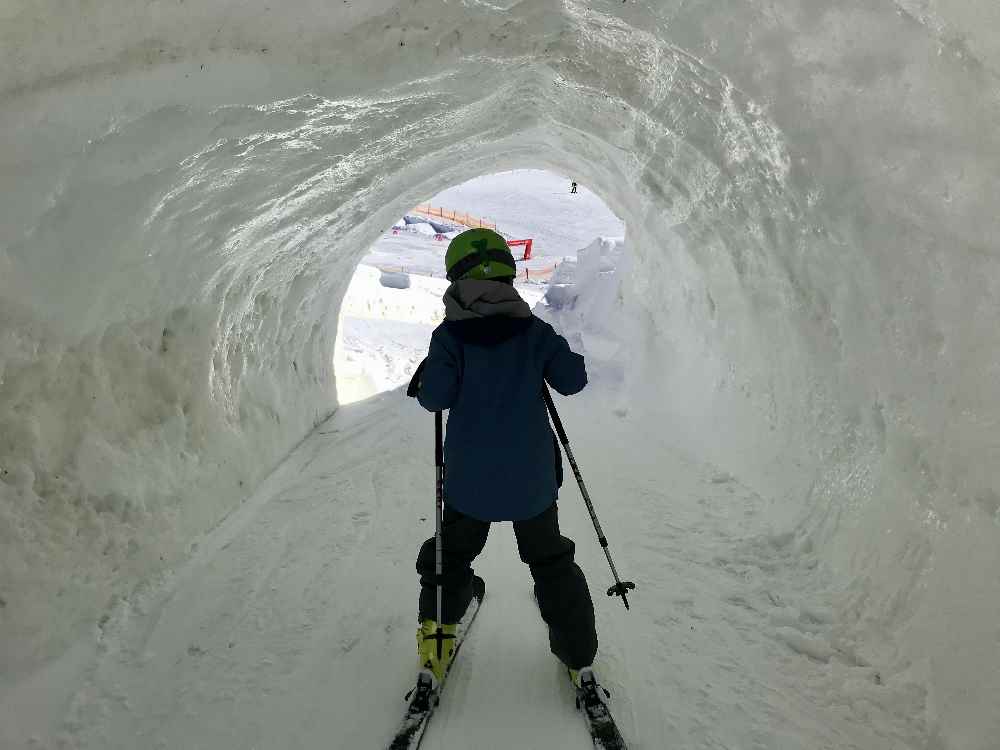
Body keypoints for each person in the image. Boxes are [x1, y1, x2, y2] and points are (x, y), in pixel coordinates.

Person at [407, 228, 600, 691]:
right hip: (531, 483)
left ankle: (435, 645)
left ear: (456, 277)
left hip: (468, 485)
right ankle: (579, 656)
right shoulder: (534, 333)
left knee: (449, 556)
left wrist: (435, 369)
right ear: (509, 276)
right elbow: (572, 380)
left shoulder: (449, 337)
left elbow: (434, 399)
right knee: (550, 561)